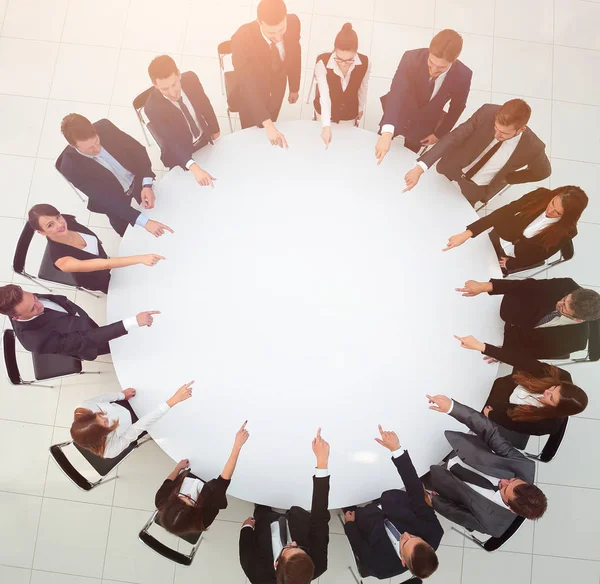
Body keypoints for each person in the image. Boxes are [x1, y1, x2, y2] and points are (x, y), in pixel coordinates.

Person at [425, 394, 548, 537]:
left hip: (440, 480)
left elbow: (456, 514)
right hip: (453, 445)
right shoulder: (523, 466)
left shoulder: (493, 525)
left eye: (504, 488)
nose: (503, 481)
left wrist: (433, 501)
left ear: (511, 509)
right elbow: (491, 433)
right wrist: (452, 408)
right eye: (512, 480)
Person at [404, 99, 551, 206]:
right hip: (451, 167)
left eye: (505, 133)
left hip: (476, 188)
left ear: (521, 129)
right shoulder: (487, 112)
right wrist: (420, 167)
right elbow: (454, 137)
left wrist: (508, 178)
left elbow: (543, 173)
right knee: (423, 197)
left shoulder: (533, 147)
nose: (497, 135)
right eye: (496, 128)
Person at [341, 425, 442, 580]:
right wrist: (396, 449)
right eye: (415, 537)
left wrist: (349, 524)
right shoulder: (433, 532)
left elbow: (358, 546)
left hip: (369, 522)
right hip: (393, 502)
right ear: (428, 545)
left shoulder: (379, 567)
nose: (407, 534)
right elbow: (414, 491)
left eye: (405, 542)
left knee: (346, 499)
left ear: (403, 561)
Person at [57, 114, 174, 237]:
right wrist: (144, 222)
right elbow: (106, 199)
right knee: (125, 230)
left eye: (96, 141)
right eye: (90, 148)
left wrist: (147, 184)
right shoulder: (70, 168)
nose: (97, 149)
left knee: (160, 209)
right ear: (73, 146)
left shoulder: (105, 127)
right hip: (112, 197)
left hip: (135, 179)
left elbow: (138, 151)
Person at [239, 428, 330, 584]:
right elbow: (320, 519)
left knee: (261, 504)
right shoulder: (317, 565)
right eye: (301, 549)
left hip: (265, 526)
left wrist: (246, 529)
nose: (294, 542)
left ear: (276, 563)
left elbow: (246, 551)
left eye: (289, 548)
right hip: (298, 520)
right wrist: (322, 462)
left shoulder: (256, 573)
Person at [455, 335, 588, 437]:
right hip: (497, 385)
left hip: (494, 407)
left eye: (551, 398)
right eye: (554, 388)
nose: (547, 391)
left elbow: (514, 423)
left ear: (557, 410)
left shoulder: (547, 425)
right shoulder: (561, 377)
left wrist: (492, 415)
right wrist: (482, 347)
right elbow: (524, 361)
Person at [376, 29, 472, 160]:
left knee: (408, 157)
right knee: (380, 142)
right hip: (399, 113)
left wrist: (439, 134)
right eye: (431, 63)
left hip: (424, 124)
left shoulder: (463, 76)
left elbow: (457, 107)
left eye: (441, 68)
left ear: (454, 60)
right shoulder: (411, 58)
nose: (433, 70)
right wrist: (387, 132)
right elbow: (396, 92)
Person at [444, 185, 588, 273]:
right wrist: (468, 233)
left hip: (514, 257)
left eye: (558, 212)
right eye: (552, 203)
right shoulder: (540, 195)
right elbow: (504, 212)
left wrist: (511, 264)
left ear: (568, 216)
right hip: (499, 236)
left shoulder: (567, 232)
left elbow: (539, 256)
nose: (550, 211)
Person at [28, 204, 165, 294]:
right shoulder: (62, 261)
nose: (59, 224)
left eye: (58, 217)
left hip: (103, 260)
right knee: (125, 291)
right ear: (42, 232)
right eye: (50, 225)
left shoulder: (68, 222)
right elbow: (104, 264)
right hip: (96, 278)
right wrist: (141, 258)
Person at [0, 284, 159, 361]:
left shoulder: (23, 300)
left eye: (35, 298)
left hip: (78, 321)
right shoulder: (37, 341)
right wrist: (132, 322)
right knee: (122, 347)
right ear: (15, 317)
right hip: (87, 342)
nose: (39, 304)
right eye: (33, 309)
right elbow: (87, 339)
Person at [456, 277, 600, 358]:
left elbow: (533, 354)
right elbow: (526, 286)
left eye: (564, 307)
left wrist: (502, 353)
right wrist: (483, 286)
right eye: (565, 298)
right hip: (508, 310)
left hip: (510, 341)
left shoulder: (576, 342)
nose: (559, 303)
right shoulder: (567, 285)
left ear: (577, 319)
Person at [155, 422, 250, 536]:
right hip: (210, 486)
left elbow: (168, 482)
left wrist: (178, 468)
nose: (189, 495)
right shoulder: (203, 519)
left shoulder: (161, 500)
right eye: (191, 501)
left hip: (192, 472)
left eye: (182, 496)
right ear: (194, 512)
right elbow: (223, 481)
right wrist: (237, 446)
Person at [231, 0, 301, 148]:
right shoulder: (241, 39)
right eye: (271, 32)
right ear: (259, 22)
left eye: (281, 30)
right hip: (252, 96)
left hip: (277, 88)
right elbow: (247, 84)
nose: (277, 37)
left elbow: (295, 55)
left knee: (273, 116)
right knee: (251, 132)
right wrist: (267, 124)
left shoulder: (293, 22)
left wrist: (294, 87)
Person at [145, 55, 220, 187]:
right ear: (155, 85)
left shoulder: (191, 79)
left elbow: (205, 104)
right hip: (181, 154)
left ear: (179, 75)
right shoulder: (152, 108)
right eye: (165, 89)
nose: (173, 93)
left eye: (174, 84)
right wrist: (193, 167)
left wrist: (215, 129)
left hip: (204, 138)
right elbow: (170, 141)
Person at [70, 381, 193, 459]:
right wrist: (172, 401)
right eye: (106, 422)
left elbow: (102, 398)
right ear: (102, 436)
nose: (107, 416)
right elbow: (138, 427)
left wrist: (121, 395)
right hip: (133, 422)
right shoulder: (110, 450)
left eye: (99, 415)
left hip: (122, 405)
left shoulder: (83, 407)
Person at [313, 23, 370, 148]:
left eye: (349, 60)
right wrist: (326, 126)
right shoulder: (322, 62)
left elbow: (363, 86)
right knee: (322, 143)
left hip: (349, 113)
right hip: (324, 111)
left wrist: (360, 107)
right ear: (334, 49)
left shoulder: (365, 62)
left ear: (355, 52)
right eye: (339, 59)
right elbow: (324, 95)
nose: (343, 64)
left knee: (344, 145)